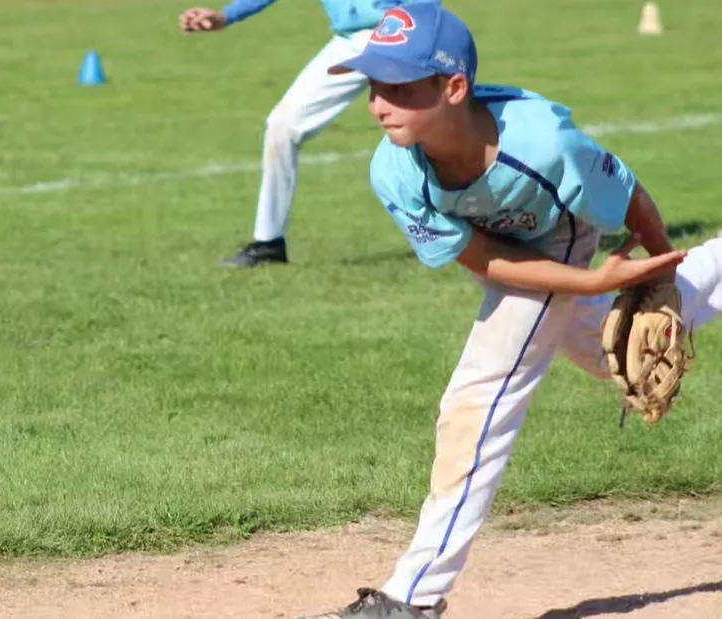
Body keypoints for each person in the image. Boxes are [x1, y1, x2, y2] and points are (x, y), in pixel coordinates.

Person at [296, 2, 722, 618]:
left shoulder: (544, 142)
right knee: (612, 349)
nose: (378, 103)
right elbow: (484, 257)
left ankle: (412, 598)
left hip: (564, 230)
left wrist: (661, 273)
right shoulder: (394, 170)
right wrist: (598, 286)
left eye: (399, 86)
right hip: (516, 253)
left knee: (479, 394)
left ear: (454, 87)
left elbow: (628, 195)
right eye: (373, 86)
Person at [179, 0, 439, 267]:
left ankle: (470, 221)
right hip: (349, 41)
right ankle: (269, 242)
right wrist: (225, 16)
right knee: (281, 126)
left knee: (428, 129)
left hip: (402, 35)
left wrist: (418, 24)